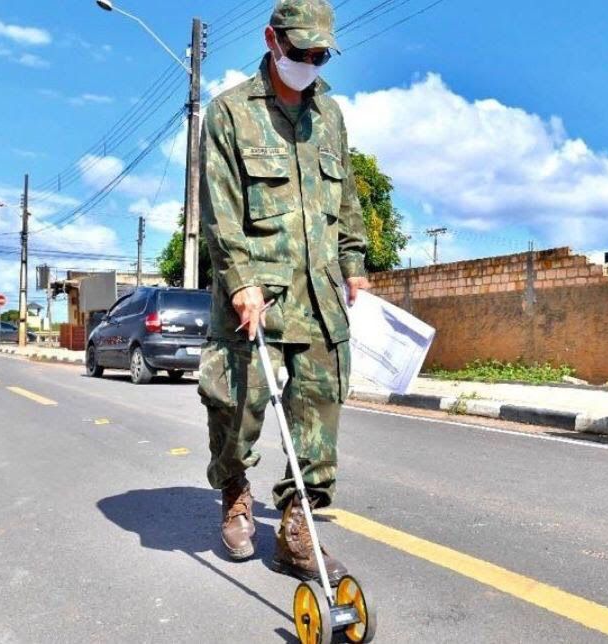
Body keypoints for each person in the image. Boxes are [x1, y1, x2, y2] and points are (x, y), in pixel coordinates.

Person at [196, 0, 369, 584]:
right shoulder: (228, 114)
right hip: (256, 297)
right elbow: (220, 214)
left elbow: (347, 200)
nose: (310, 63)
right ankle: (237, 491)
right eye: (300, 52)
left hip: (319, 297)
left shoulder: (332, 116)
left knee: (320, 409)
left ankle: (297, 524)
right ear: (272, 40)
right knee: (236, 408)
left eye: (321, 55)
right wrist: (241, 282)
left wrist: (354, 261)